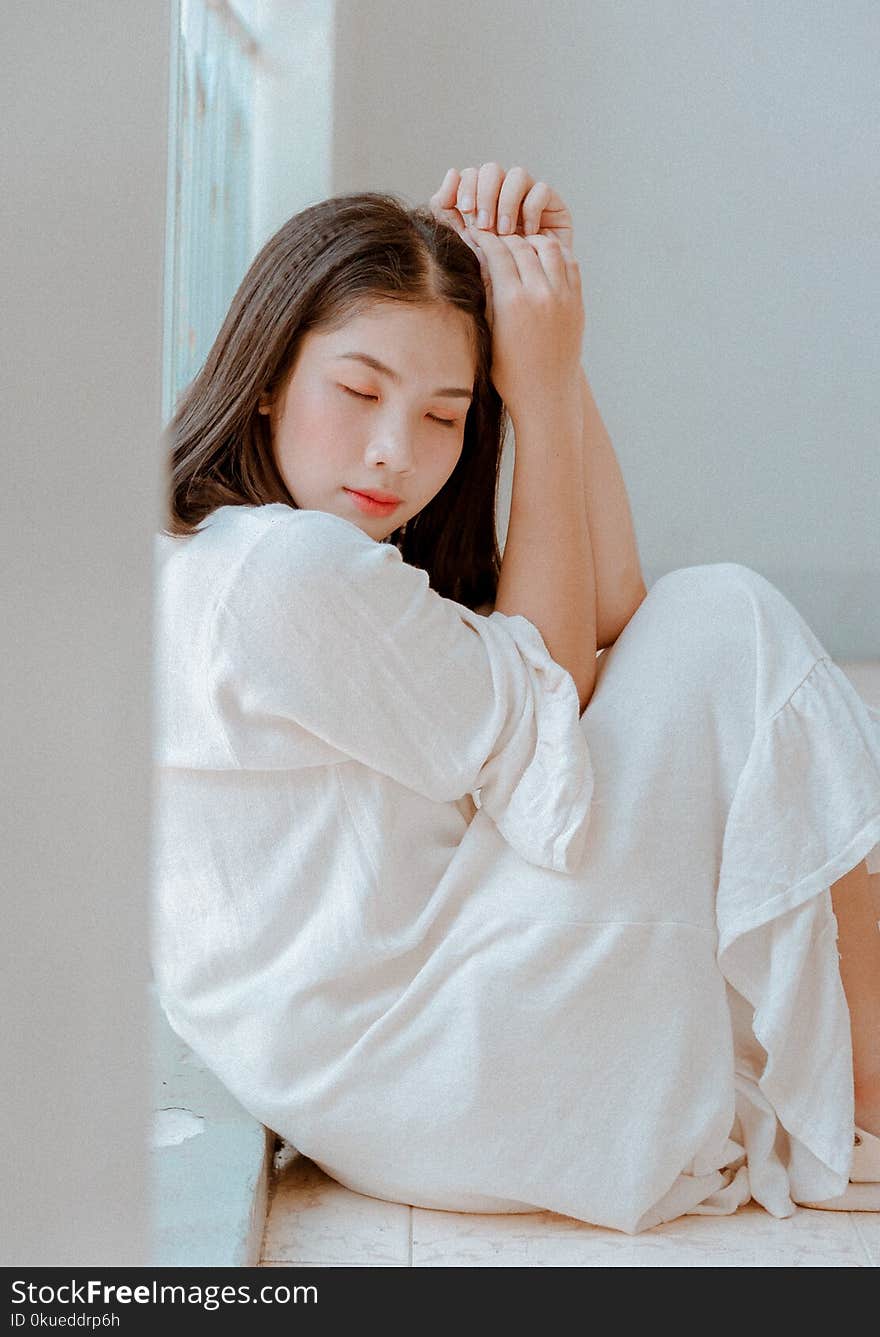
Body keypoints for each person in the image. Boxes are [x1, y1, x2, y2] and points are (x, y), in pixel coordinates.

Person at [152, 161, 880, 1234]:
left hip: (400, 1077)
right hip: (439, 1065)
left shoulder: (222, 555)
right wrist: (535, 390)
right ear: (266, 374)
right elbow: (562, 677)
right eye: (357, 392)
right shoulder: (282, 571)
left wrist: (548, 352)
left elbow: (611, 606)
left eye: (447, 415)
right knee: (729, 616)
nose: (394, 450)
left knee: (713, 625)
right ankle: (870, 1095)